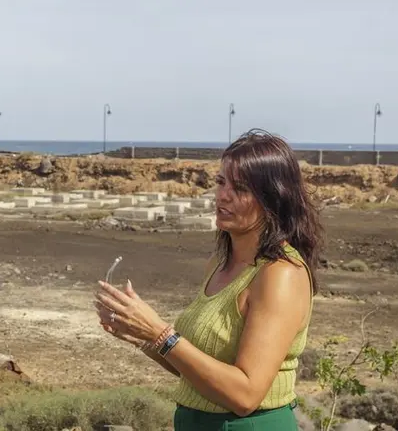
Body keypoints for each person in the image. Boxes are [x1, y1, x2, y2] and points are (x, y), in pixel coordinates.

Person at [95, 129, 323, 430]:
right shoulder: (220, 264)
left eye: (240, 188)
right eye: (220, 182)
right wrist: (141, 334)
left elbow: (245, 395)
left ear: (274, 198)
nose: (222, 195)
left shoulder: (280, 274)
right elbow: (199, 370)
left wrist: (160, 333)